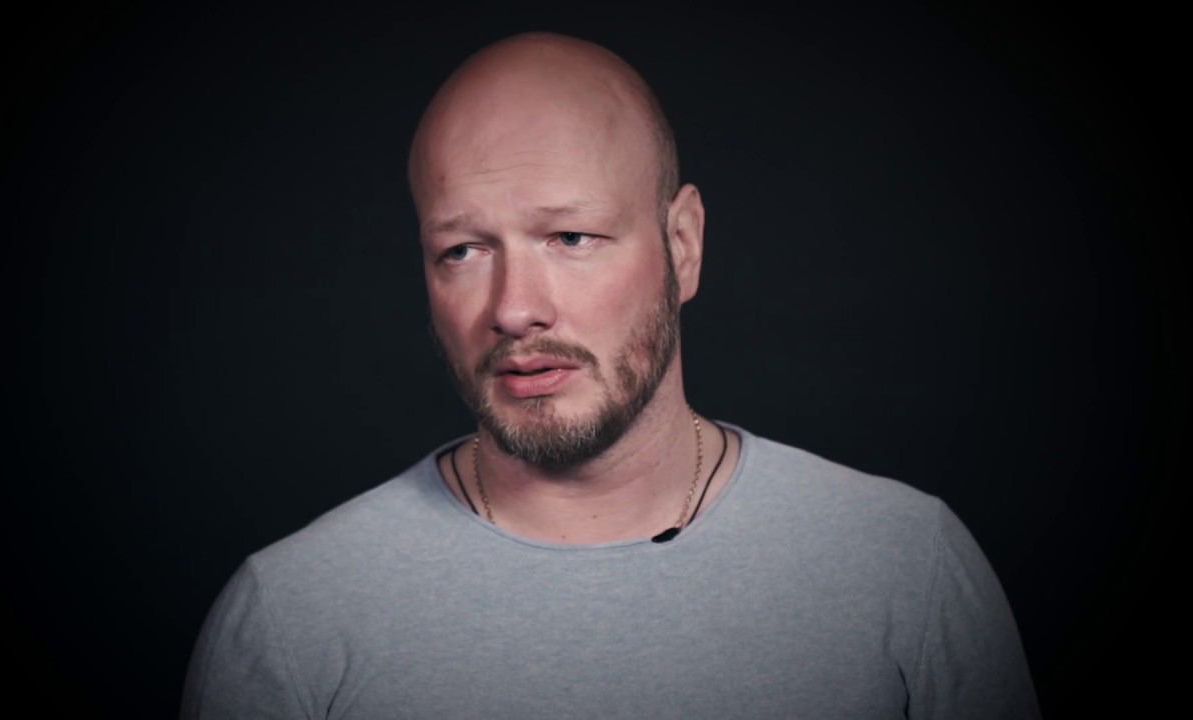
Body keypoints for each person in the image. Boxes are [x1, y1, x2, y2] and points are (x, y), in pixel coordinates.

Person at [181, 32, 1040, 719]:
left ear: (682, 246)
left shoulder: (905, 566)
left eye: (571, 238)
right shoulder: (293, 616)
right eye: (464, 250)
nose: (515, 309)